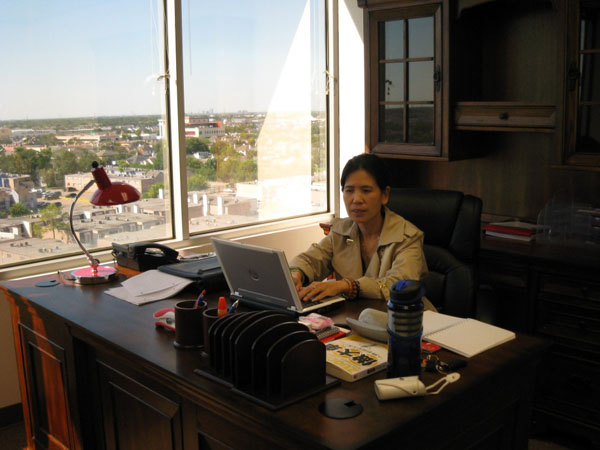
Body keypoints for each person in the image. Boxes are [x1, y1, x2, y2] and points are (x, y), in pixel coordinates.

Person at [289, 153, 434, 310]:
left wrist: (347, 286)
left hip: (406, 318)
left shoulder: (408, 237)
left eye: (366, 190)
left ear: (385, 195)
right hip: (355, 315)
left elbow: (399, 284)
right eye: (349, 190)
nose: (356, 199)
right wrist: (296, 273)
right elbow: (312, 259)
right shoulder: (340, 231)